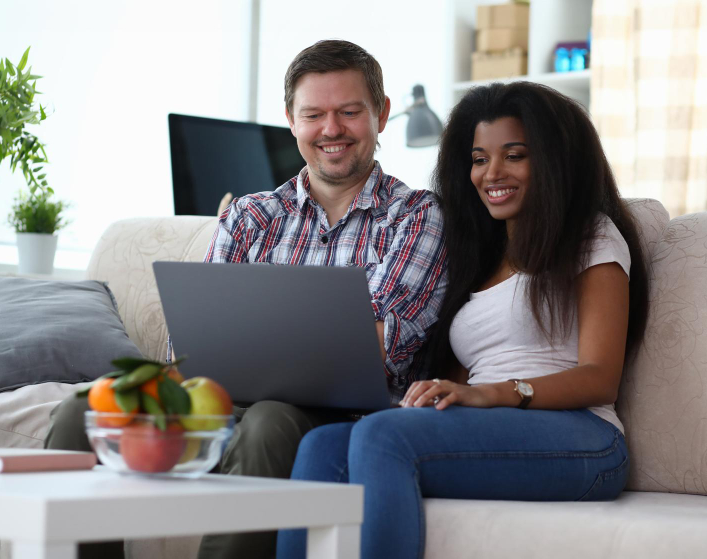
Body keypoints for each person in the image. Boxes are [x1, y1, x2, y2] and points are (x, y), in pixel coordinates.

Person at [43, 39, 447, 559]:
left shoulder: (416, 216)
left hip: (340, 418)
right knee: (83, 411)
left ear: (381, 114)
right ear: (291, 120)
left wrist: (255, 342)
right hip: (222, 401)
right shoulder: (250, 216)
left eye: (349, 112)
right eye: (314, 115)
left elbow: (382, 349)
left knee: (269, 421)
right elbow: (192, 345)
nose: (331, 129)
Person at [276, 81, 649, 559]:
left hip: (584, 437)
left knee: (382, 436)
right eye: (479, 159)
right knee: (321, 446)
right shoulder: (479, 255)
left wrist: (492, 394)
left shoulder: (591, 237)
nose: (492, 173)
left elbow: (601, 378)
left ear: (555, 161)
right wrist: (439, 396)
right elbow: (460, 371)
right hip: (491, 424)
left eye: (514, 156)